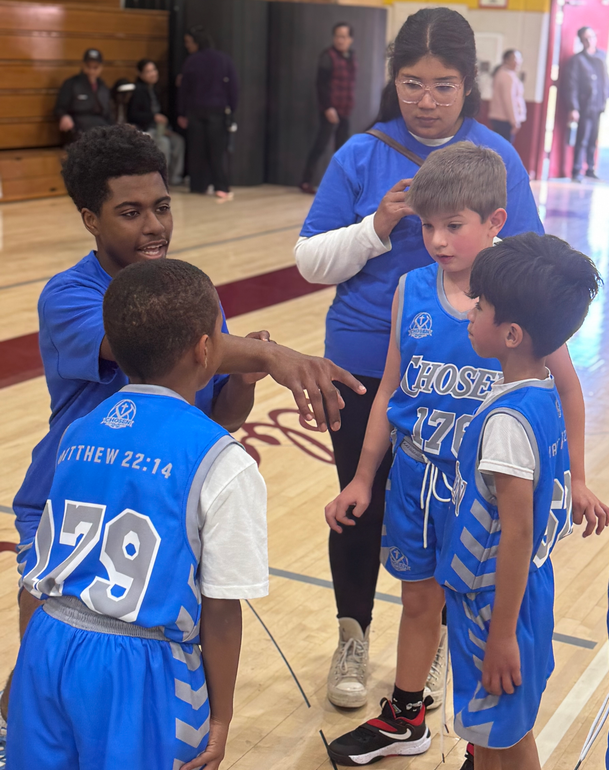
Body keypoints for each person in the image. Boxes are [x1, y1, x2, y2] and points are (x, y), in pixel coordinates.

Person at [0, 124, 365, 734]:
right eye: (130, 212)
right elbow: (148, 341)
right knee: (45, 660)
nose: (154, 226)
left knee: (137, 653)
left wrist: (243, 376)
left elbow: (216, 415)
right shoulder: (68, 296)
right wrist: (269, 355)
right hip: (70, 498)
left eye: (162, 207)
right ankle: (18, 725)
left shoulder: (194, 297)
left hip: (155, 502)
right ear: (91, 218)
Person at [294, 5, 593, 726]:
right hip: (367, 361)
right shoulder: (360, 155)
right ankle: (354, 638)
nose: (425, 100)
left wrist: (576, 465)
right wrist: (378, 224)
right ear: (390, 80)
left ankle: (435, 651)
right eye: (410, 84)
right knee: (363, 510)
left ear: (469, 85)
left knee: (469, 523)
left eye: (443, 86)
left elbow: (531, 268)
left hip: (472, 371)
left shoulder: (492, 161)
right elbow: (309, 259)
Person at [323, 142, 606, 767]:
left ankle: (483, 736)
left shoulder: (516, 302)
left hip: (481, 490)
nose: (438, 240)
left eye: (454, 225)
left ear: (495, 222)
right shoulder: (410, 289)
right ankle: (407, 716)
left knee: (478, 617)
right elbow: (389, 390)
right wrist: (363, 479)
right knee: (418, 599)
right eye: (428, 226)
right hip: (418, 480)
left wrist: (578, 477)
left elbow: (567, 387)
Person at [7, 257, 269, 770]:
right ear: (206, 347)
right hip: (139, 668)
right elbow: (220, 610)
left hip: (45, 642)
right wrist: (221, 719)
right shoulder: (222, 459)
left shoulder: (77, 432)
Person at [436, 234, 601, 769]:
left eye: (480, 305)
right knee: (511, 732)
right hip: (523, 591)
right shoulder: (543, 394)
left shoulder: (507, 423)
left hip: (493, 605)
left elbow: (517, 534)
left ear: (510, 333)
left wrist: (501, 634)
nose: (470, 310)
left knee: (488, 742)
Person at [177, 28, 238, 200]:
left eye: (189, 43)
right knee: (217, 151)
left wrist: (181, 112)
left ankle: (198, 185)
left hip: (195, 112)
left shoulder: (191, 61)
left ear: (197, 43)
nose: (187, 47)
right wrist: (231, 109)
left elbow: (184, 89)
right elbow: (233, 87)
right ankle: (221, 187)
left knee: (197, 151)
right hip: (217, 112)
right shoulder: (224, 60)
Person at [300, 23, 358, 195]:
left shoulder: (351, 56)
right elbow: (321, 84)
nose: (340, 40)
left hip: (345, 109)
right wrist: (327, 107)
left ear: (350, 39)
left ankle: (340, 186)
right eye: (337, 36)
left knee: (343, 148)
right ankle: (305, 181)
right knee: (320, 145)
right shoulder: (328, 56)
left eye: (343, 36)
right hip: (330, 109)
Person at [128, 59, 185, 186]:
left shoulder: (157, 90)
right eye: (148, 71)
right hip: (146, 128)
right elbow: (133, 115)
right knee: (163, 143)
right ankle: (161, 180)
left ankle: (175, 177)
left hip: (161, 128)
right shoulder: (138, 91)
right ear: (141, 74)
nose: (153, 74)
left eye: (154, 70)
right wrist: (153, 117)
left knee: (178, 141)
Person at [564, 27, 609, 182]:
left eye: (592, 37)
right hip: (583, 106)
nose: (590, 41)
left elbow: (605, 80)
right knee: (582, 138)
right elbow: (572, 84)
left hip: (598, 105)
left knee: (593, 139)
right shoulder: (577, 60)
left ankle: (590, 168)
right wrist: (574, 107)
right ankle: (577, 170)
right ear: (581, 41)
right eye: (586, 38)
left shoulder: (601, 56)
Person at [54, 49, 113, 142]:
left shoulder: (103, 87)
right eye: (88, 66)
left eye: (95, 67)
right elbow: (60, 108)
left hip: (101, 126)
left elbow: (108, 114)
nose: (91, 71)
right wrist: (64, 116)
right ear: (83, 65)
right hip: (79, 126)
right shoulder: (71, 84)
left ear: (101, 67)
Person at [488, 50, 526, 143]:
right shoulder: (506, 76)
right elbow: (509, 100)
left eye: (519, 59)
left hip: (501, 118)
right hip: (505, 119)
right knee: (504, 150)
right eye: (514, 59)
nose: (517, 62)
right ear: (506, 60)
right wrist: (514, 121)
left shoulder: (504, 73)